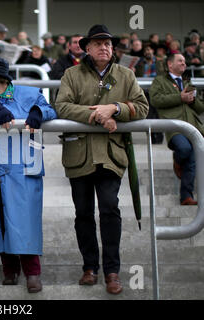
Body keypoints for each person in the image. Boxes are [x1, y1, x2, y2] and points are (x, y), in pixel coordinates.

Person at [55, 24, 149, 294]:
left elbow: (142, 106)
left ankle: (112, 271)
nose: (105, 47)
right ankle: (89, 267)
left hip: (110, 155)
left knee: (110, 209)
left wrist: (116, 108)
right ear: (86, 48)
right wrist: (96, 115)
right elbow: (61, 105)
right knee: (83, 214)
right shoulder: (72, 74)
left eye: (108, 43)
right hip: (79, 155)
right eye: (98, 43)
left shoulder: (125, 74)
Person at [0, 55, 57, 293]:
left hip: (24, 166)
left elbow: (51, 109)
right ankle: (10, 270)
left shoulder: (29, 93)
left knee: (25, 220)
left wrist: (38, 112)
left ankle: (32, 273)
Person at [149, 53, 204, 205]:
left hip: (192, 127)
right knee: (184, 149)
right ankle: (177, 162)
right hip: (174, 127)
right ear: (170, 64)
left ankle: (186, 197)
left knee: (192, 162)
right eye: (180, 61)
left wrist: (192, 100)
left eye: (185, 61)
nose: (184, 64)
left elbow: (200, 108)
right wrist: (180, 97)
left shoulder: (188, 81)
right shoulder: (159, 81)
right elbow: (155, 100)